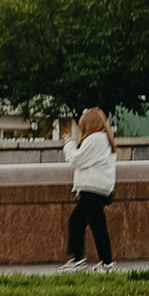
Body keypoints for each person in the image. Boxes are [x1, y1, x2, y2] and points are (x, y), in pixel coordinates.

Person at [60, 107, 117, 271]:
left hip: (93, 190)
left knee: (95, 225)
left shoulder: (95, 139)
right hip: (98, 189)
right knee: (79, 222)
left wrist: (69, 144)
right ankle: (83, 259)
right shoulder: (105, 139)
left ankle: (105, 263)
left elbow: (76, 159)